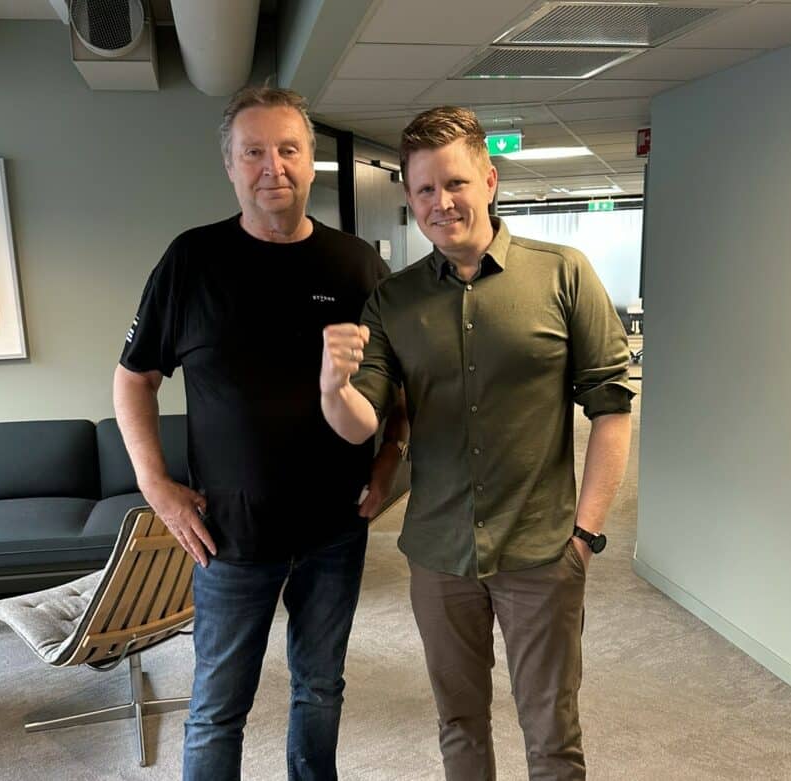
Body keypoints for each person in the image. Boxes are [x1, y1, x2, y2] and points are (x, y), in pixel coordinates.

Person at [319, 106, 635, 780]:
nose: (441, 203)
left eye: (455, 183)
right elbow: (360, 421)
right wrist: (332, 386)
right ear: (410, 197)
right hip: (439, 556)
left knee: (552, 735)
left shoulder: (563, 273)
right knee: (459, 724)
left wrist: (585, 534)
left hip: (541, 551)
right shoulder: (393, 300)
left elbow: (611, 407)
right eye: (425, 189)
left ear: (489, 180)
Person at [113, 86, 406, 781]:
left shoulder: (357, 265)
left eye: (288, 149)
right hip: (230, 537)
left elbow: (403, 380)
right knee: (218, 709)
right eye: (253, 152)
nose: (272, 166)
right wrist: (157, 486)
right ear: (230, 165)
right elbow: (133, 379)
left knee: (320, 687)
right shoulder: (191, 261)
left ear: (310, 162)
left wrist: (392, 455)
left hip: (335, 530)